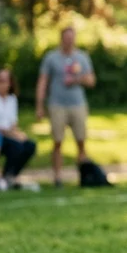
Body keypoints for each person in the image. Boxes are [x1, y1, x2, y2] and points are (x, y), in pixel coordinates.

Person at [36, 26, 96, 187]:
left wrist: (76, 80)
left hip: (77, 104)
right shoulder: (51, 58)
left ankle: (83, 177)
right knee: (57, 141)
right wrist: (39, 105)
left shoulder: (82, 57)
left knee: (81, 140)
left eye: (72, 38)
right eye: (66, 38)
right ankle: (57, 177)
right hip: (57, 104)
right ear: (61, 39)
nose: (69, 41)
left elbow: (91, 81)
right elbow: (43, 81)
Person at [0, 68, 38, 189]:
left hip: (9, 134)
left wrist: (18, 134)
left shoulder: (12, 99)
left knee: (29, 145)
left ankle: (10, 175)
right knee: (16, 146)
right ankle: (0, 178)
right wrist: (10, 134)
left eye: (5, 81)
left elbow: (13, 123)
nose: (2, 84)